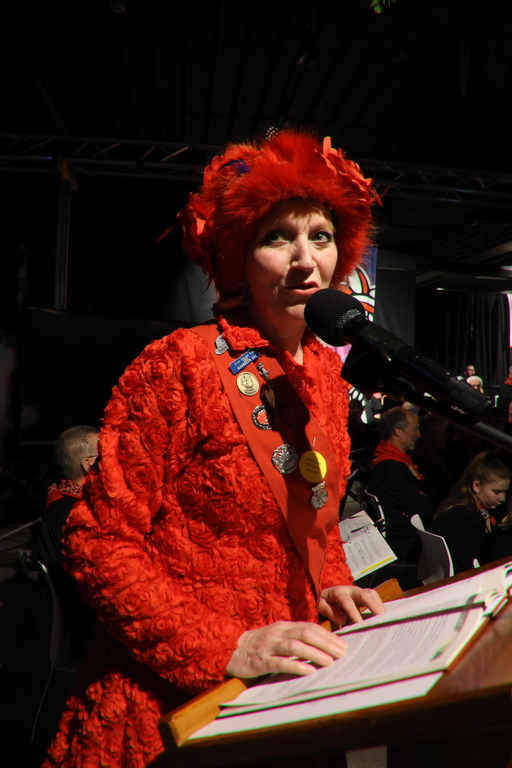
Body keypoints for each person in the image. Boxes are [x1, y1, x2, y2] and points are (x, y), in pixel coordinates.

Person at [44, 131, 385, 768]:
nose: (305, 261)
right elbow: (96, 543)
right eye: (277, 238)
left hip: (291, 685)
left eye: (321, 236)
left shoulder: (328, 379)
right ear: (237, 257)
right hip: (176, 704)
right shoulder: (180, 364)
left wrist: (334, 585)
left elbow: (316, 519)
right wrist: (224, 647)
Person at [368, 406, 436, 562]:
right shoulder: (388, 468)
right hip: (406, 544)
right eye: (414, 429)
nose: (418, 435)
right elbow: (421, 507)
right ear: (398, 431)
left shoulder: (396, 462)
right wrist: (423, 496)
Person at [431, 451, 510, 574]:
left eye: (505, 492)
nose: (502, 498)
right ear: (476, 486)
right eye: (497, 492)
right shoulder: (461, 516)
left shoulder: (474, 509)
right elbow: (475, 560)